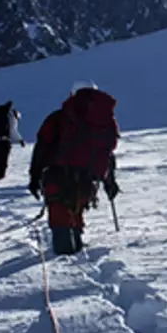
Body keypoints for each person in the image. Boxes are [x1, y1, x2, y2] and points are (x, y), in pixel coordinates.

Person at [28, 82, 120, 255]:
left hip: (58, 174)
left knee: (60, 212)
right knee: (76, 209)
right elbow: (108, 152)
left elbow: (42, 147)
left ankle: (65, 263)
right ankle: (76, 249)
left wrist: (35, 176)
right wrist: (110, 182)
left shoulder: (59, 117)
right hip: (88, 178)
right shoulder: (105, 120)